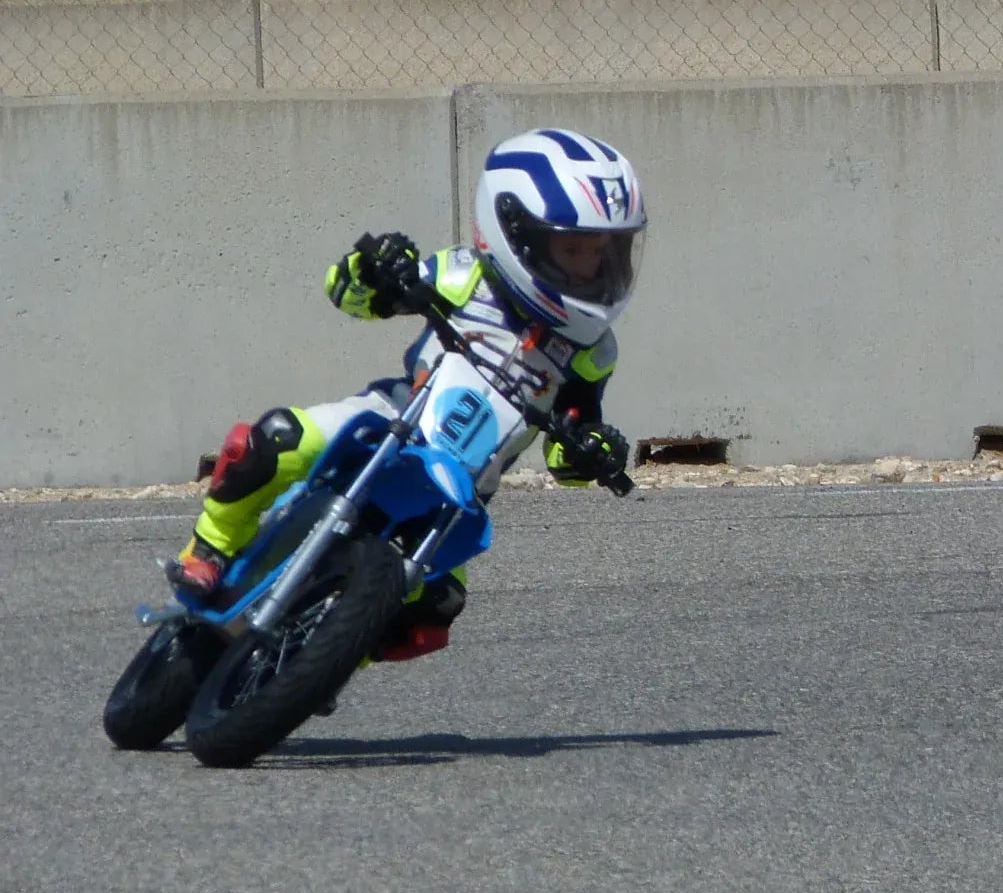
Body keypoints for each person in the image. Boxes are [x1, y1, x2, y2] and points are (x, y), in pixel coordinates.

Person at [171, 129, 648, 661]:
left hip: (458, 495)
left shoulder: (593, 351)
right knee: (278, 438)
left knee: (435, 610)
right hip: (388, 423)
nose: (591, 267)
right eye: (573, 249)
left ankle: (323, 661)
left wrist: (593, 450)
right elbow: (348, 295)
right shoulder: (465, 277)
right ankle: (210, 545)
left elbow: (568, 445)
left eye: (602, 252)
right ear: (517, 235)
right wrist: (375, 271)